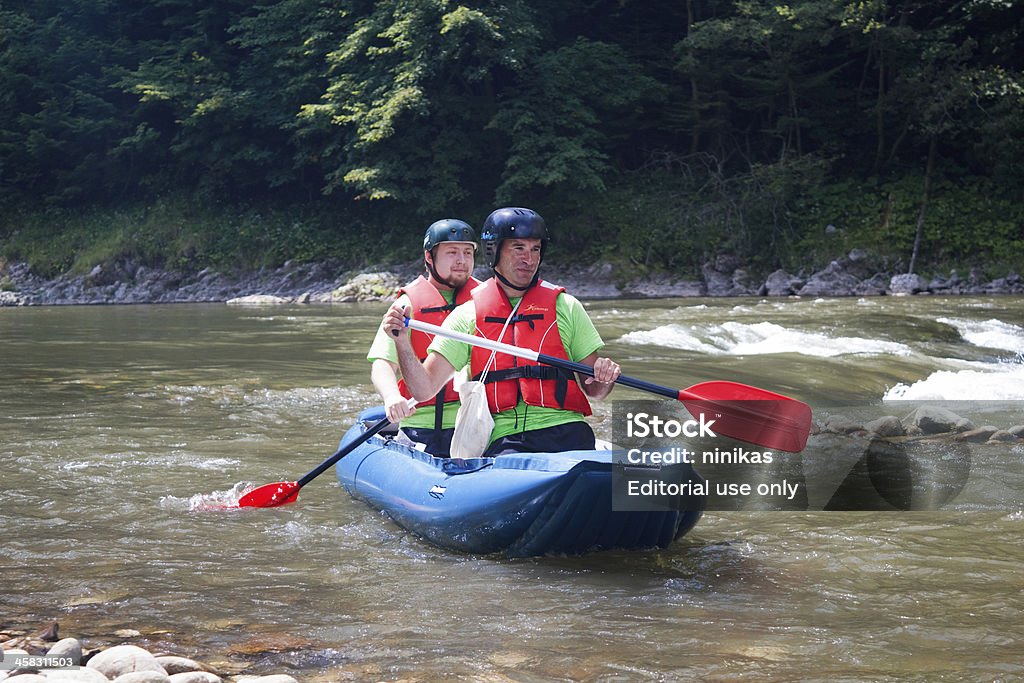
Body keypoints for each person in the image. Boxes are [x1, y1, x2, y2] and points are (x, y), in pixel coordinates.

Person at [382, 207, 621, 456]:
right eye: (518, 248)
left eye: (535, 249)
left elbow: (595, 391)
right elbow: (423, 390)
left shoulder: (567, 307)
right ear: (493, 252)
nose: (529, 259)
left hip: (569, 432)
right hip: (508, 441)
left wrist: (604, 377)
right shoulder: (467, 316)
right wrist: (402, 343)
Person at [367, 218, 481, 455]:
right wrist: (391, 397)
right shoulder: (406, 306)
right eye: (452, 252)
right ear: (429, 257)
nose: (461, 260)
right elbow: (382, 364)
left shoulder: (487, 301)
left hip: (478, 423)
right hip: (423, 425)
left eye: (468, 252)